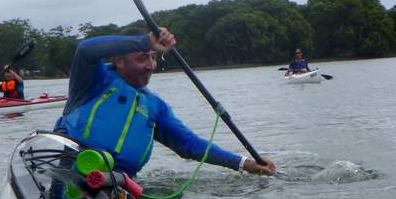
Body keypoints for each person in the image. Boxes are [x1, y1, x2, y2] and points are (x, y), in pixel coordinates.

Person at [57, 28, 276, 178]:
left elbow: (190, 145)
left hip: (119, 186)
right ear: (118, 60)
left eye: (153, 57)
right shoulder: (91, 82)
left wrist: (245, 163)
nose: (151, 65)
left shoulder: (154, 105)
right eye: (142, 57)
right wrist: (146, 40)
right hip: (75, 172)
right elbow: (85, 50)